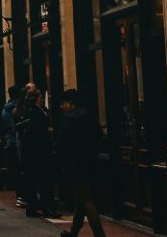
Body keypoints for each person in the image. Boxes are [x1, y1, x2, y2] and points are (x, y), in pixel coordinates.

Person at [58, 90, 106, 237]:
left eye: (63, 103)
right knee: (81, 199)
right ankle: (74, 232)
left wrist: (63, 163)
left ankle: (99, 234)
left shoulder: (68, 120)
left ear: (71, 104)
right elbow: (99, 136)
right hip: (91, 162)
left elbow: (62, 145)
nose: (61, 106)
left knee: (85, 200)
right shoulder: (89, 117)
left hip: (75, 165)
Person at [17, 88, 59, 218]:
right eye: (41, 97)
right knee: (44, 181)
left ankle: (33, 208)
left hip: (31, 153)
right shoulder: (36, 112)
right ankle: (47, 208)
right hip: (39, 152)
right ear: (37, 98)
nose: (42, 100)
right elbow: (38, 132)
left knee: (33, 180)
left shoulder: (28, 111)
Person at [1, 85, 26, 206]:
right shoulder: (19, 108)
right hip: (18, 141)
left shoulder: (5, 107)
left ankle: (19, 195)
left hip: (9, 140)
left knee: (16, 169)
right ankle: (22, 195)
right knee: (22, 169)